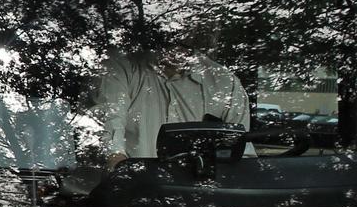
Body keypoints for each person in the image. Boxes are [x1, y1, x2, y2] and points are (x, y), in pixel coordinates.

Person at [91, 46, 249, 160]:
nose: (179, 39)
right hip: (116, 199)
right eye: (171, 32)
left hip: (197, 201)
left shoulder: (225, 83)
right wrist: (116, 163)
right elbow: (109, 125)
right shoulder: (119, 67)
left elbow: (240, 153)